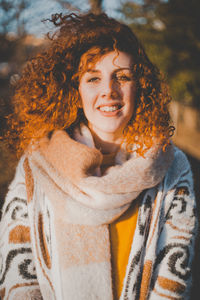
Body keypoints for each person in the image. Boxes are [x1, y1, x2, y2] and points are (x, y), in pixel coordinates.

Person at [0, 12, 197, 300]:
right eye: (93, 78)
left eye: (122, 77)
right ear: (75, 90)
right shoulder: (36, 167)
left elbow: (173, 282)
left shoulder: (171, 167)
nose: (109, 91)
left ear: (139, 85)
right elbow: (18, 277)